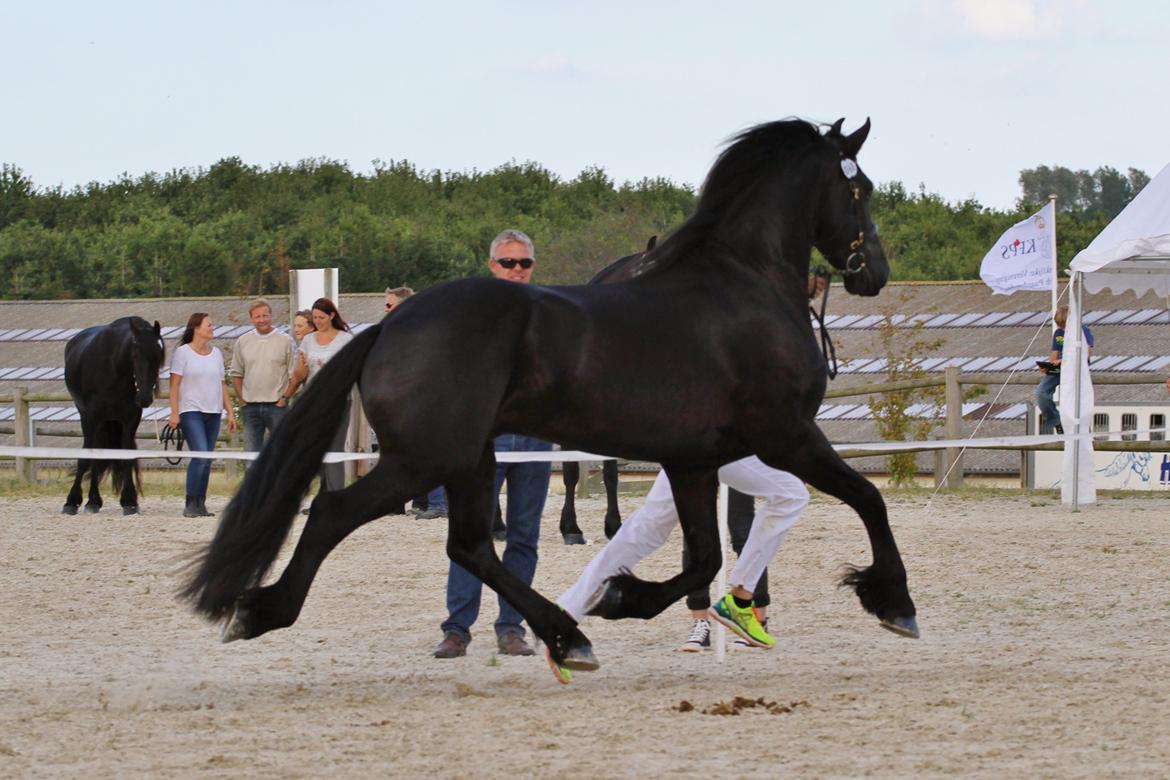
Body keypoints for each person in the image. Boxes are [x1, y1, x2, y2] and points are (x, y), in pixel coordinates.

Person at [435, 229, 552, 660]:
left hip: (536, 437)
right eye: (508, 262)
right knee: (471, 533)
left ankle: (511, 626)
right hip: (483, 437)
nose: (516, 270)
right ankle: (457, 628)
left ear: (532, 267)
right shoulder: (470, 314)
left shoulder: (548, 313)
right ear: (491, 265)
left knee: (524, 535)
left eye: (524, 263)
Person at [557, 457, 808, 652]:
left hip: (690, 439)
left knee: (647, 528)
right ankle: (740, 599)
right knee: (790, 495)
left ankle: (566, 614)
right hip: (715, 439)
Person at [168, 312, 238, 518]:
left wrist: (230, 412)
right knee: (199, 455)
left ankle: (200, 503)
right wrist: (174, 412)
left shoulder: (216, 353)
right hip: (191, 411)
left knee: (207, 459)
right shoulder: (183, 353)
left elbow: (221, 384)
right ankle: (190, 501)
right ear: (197, 328)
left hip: (213, 411)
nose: (212, 327)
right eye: (209, 324)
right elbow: (174, 386)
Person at [288, 298, 354, 492]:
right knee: (314, 448)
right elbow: (299, 374)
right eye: (315, 318)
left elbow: (351, 370)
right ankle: (323, 492)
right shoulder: (308, 340)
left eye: (321, 317)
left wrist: (332, 371)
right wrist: (301, 368)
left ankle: (335, 496)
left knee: (334, 449)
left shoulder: (345, 339)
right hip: (313, 400)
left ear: (332, 315)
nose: (317, 321)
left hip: (338, 400)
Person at [230, 298, 296, 457]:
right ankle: (254, 483)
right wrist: (242, 400)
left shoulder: (286, 340)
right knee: (252, 457)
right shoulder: (243, 341)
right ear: (251, 318)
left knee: (281, 454)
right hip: (250, 407)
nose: (262, 320)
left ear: (271, 316)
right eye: (257, 316)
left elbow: (294, 375)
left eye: (265, 315)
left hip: (277, 407)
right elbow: (236, 374)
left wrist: (284, 398)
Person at [1035, 305, 1095, 435]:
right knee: (1041, 393)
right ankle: (1056, 421)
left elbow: (1087, 353)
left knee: (1074, 400)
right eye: (1060, 326)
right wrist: (1048, 366)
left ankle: (1082, 429)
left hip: (1076, 368)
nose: (1063, 329)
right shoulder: (1058, 333)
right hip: (1059, 369)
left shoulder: (1083, 331)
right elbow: (1054, 353)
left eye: (1064, 326)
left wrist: (1064, 361)